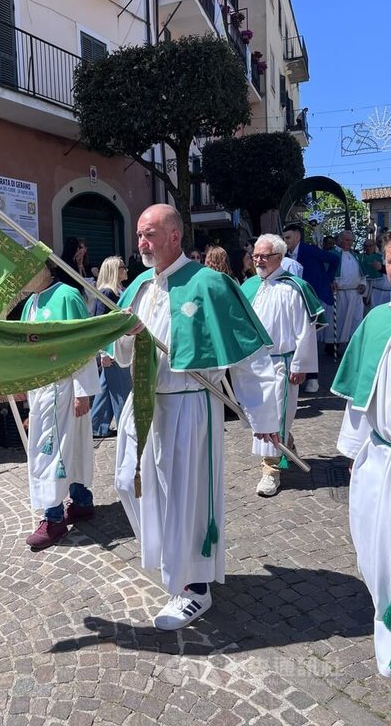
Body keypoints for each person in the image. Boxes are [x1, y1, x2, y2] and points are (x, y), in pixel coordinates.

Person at [113, 204, 279, 630]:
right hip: (144, 400)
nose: (141, 243)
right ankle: (171, 558)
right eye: (139, 234)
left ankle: (194, 587)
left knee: (185, 498)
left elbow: (250, 357)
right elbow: (121, 356)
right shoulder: (139, 288)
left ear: (174, 236)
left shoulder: (210, 284)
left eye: (149, 234)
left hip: (188, 402)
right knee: (128, 482)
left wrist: (264, 419)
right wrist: (126, 336)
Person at [331, 232, 391, 677]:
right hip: (383, 459)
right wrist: (354, 453)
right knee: (379, 556)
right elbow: (360, 396)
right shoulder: (378, 322)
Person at [21, 263, 100, 550]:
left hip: (65, 387)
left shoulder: (67, 296)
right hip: (42, 389)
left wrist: (82, 390)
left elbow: (82, 343)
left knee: (52, 452)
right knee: (70, 448)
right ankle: (81, 501)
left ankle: (53, 518)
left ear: (43, 269)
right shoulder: (30, 304)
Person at [241, 235, 322, 497]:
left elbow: (305, 330)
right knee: (258, 417)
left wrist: (300, 364)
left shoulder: (294, 288)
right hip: (255, 364)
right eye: (255, 256)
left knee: (275, 418)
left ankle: (271, 470)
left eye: (264, 256)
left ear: (280, 257)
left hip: (282, 364)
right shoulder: (249, 286)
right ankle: (287, 445)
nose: (258, 261)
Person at [283, 222, 340, 392]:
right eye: (284, 238)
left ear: (297, 237)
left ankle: (313, 377)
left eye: (288, 237)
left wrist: (327, 279)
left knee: (309, 337)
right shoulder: (284, 254)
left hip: (313, 297)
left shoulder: (310, 250)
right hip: (294, 300)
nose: (285, 241)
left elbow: (334, 259)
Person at [90, 256, 132, 438]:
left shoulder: (118, 290)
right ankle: (126, 425)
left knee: (106, 387)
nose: (126, 270)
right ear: (114, 270)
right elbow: (100, 323)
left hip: (118, 346)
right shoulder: (107, 292)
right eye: (123, 267)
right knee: (121, 389)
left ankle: (97, 425)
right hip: (113, 348)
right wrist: (103, 352)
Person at [325, 230, 366, 355]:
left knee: (355, 320)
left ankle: (353, 347)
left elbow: (362, 274)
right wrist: (330, 282)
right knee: (338, 320)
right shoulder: (331, 254)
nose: (350, 243)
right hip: (339, 293)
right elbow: (324, 272)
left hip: (355, 294)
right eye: (347, 240)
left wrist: (363, 284)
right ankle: (332, 346)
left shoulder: (355, 255)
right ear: (340, 241)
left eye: (351, 241)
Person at [361, 238, 391, 308]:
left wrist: (381, 268)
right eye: (379, 242)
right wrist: (365, 295)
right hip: (376, 292)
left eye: (382, 241)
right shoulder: (372, 257)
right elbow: (367, 278)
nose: (381, 243)